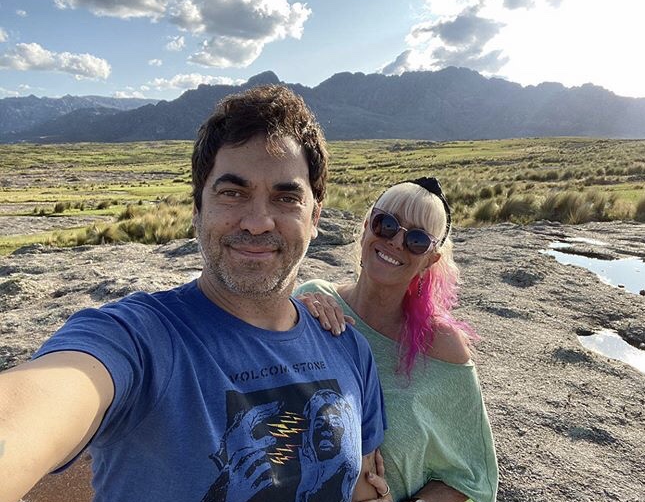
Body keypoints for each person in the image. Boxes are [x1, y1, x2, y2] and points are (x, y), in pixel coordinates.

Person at [0, 85, 389, 502]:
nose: (258, 222)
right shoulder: (137, 339)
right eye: (232, 193)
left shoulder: (347, 347)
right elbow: (41, 404)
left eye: (286, 197)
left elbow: (362, 488)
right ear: (197, 208)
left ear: (314, 217)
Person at [296, 177, 499, 502]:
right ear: (367, 226)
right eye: (387, 224)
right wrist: (292, 315)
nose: (396, 242)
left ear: (430, 259)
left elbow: (470, 478)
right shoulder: (313, 300)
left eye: (417, 240)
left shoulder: (442, 346)